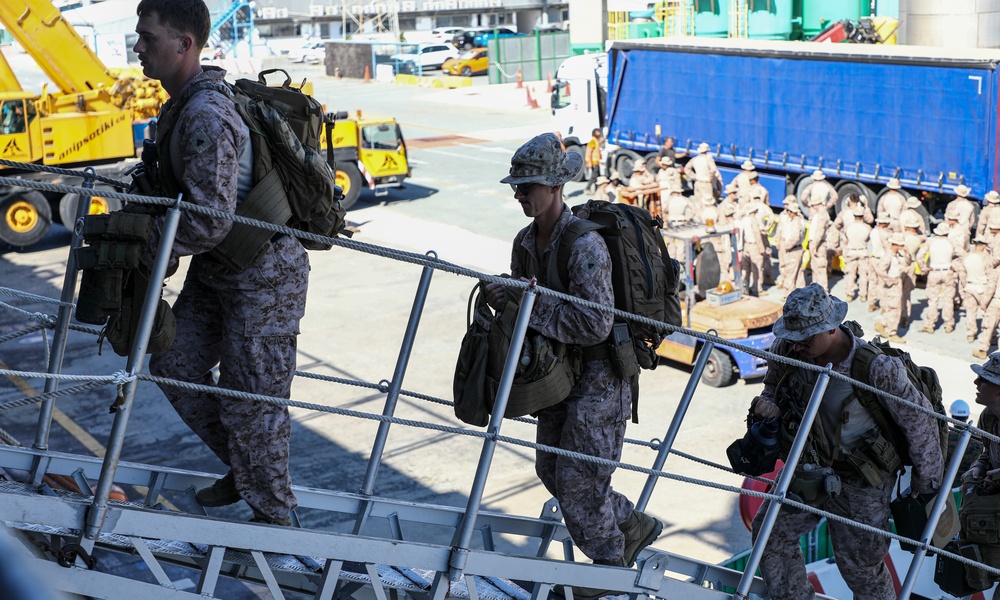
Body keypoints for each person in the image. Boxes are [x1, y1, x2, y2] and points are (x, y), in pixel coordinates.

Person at [134, 0, 308, 526]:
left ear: (185, 44)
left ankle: (280, 525)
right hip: (220, 269)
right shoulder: (181, 106)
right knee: (173, 359)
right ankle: (247, 468)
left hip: (263, 277)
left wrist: (145, 247)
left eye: (149, 37)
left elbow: (208, 220)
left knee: (253, 409)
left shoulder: (206, 115)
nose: (139, 47)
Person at [483, 133, 662, 595]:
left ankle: (608, 570)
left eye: (529, 186)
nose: (520, 195)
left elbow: (596, 323)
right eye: (517, 187)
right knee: (551, 471)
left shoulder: (585, 246)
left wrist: (526, 303)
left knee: (579, 487)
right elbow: (532, 299)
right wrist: (506, 293)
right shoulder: (525, 241)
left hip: (601, 379)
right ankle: (631, 523)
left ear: (555, 188)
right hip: (558, 374)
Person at [750, 284, 944, 600]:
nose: (797, 346)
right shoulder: (787, 349)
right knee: (770, 532)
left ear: (831, 327)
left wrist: (926, 484)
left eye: (805, 338)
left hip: (863, 480)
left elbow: (919, 422)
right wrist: (767, 402)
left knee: (861, 567)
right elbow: (772, 386)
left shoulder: (875, 367)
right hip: (810, 467)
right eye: (793, 339)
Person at [916, 223, 958, 334]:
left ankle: (930, 325)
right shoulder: (951, 242)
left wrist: (924, 268)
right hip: (948, 271)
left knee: (933, 300)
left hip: (934, 271)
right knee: (948, 300)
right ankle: (949, 324)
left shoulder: (930, 242)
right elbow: (962, 255)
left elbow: (919, 256)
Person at [874, 232, 911, 343]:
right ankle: (892, 333)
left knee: (890, 307)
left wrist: (907, 254)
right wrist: (890, 281)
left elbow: (907, 264)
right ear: (895, 244)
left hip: (895, 282)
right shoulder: (888, 256)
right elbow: (880, 269)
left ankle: (882, 324)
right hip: (892, 284)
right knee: (895, 308)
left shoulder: (897, 255)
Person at [964, 235, 999, 344]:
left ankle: (970, 334)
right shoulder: (986, 259)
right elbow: (991, 277)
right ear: (984, 246)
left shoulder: (967, 257)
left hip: (969, 286)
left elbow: (963, 273)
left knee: (970, 312)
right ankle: (990, 335)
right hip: (982, 288)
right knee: (987, 313)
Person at [839, 203, 872, 302]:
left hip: (851, 251)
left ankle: (849, 294)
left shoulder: (849, 228)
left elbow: (845, 240)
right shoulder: (867, 228)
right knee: (863, 274)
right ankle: (863, 295)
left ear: (854, 215)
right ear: (863, 216)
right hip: (863, 252)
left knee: (850, 274)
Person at [776, 195, 806, 295]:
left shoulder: (797, 220)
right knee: (792, 269)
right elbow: (780, 229)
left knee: (791, 271)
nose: (786, 208)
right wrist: (778, 241)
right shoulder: (784, 216)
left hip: (792, 247)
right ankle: (799, 291)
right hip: (787, 243)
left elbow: (796, 236)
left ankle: (788, 292)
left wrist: (787, 246)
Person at [584, 128, 603, 194]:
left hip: (596, 162)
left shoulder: (595, 141)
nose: (599, 133)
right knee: (594, 176)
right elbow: (588, 152)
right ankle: (587, 188)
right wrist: (589, 162)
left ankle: (596, 189)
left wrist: (600, 142)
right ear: (594, 133)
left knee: (597, 176)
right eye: (598, 132)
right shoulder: (592, 141)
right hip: (594, 162)